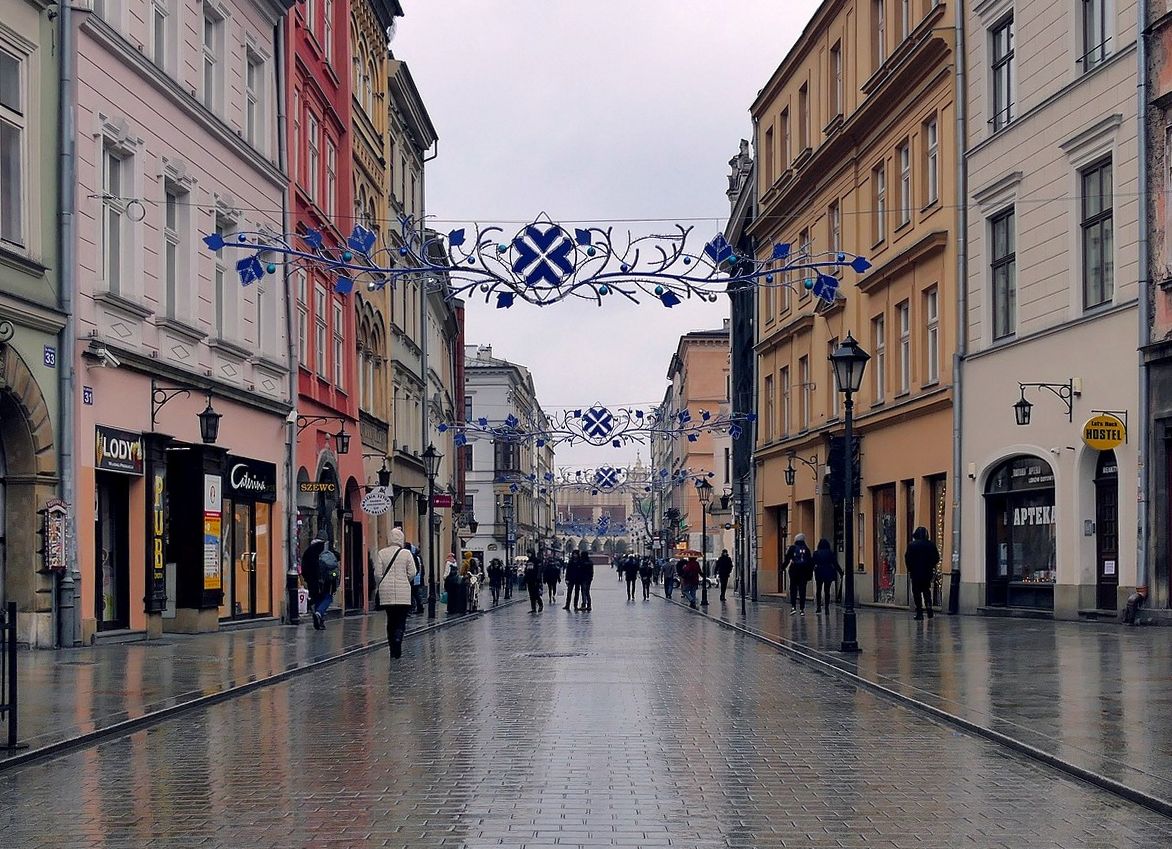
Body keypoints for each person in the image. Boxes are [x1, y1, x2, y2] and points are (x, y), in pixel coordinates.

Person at [373, 527, 417, 659]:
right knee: (401, 619)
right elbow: (413, 572)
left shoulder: (382, 553)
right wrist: (405, 580)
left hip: (387, 593)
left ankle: (392, 647)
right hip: (403, 593)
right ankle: (398, 638)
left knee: (390, 620)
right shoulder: (406, 553)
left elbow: (377, 574)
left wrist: (383, 583)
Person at [905, 526, 940, 620]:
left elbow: (907, 559)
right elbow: (936, 558)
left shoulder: (911, 545)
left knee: (916, 592)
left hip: (915, 572)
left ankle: (919, 612)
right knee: (926, 590)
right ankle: (929, 608)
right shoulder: (931, 545)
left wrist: (910, 569)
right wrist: (931, 565)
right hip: (927, 572)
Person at [782, 533, 813, 616]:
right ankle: (802, 609)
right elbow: (810, 563)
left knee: (793, 589)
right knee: (802, 590)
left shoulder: (792, 548)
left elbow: (787, 559)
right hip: (804, 573)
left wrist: (782, 568)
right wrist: (809, 575)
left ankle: (793, 607)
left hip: (794, 572)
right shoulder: (806, 549)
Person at [312, 544, 340, 629]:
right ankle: (319, 614)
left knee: (319, 598)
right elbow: (335, 575)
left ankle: (319, 620)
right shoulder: (333, 561)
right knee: (328, 598)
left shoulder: (322, 555)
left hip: (318, 580)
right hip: (328, 582)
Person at [812, 538, 841, 614]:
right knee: (827, 590)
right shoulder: (830, 553)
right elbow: (835, 563)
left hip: (819, 571)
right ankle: (827, 607)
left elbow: (812, 563)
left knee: (818, 589)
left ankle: (818, 607)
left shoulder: (816, 553)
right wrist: (840, 572)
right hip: (828, 571)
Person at [300, 538, 324, 622]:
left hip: (310, 577)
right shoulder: (316, 553)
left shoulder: (308, 552)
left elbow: (304, 564)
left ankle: (314, 609)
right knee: (317, 594)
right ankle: (316, 610)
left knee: (313, 593)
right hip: (315, 577)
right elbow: (317, 566)